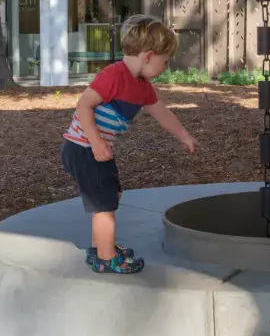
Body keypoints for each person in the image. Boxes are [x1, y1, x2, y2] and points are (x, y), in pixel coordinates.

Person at [62, 14, 197, 274]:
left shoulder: (142, 86)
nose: (165, 67)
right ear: (147, 56)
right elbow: (83, 104)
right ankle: (106, 258)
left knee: (110, 196)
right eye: (165, 61)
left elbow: (162, 112)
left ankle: (100, 248)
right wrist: (96, 141)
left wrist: (183, 135)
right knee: (105, 204)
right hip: (83, 147)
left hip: (96, 148)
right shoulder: (114, 75)